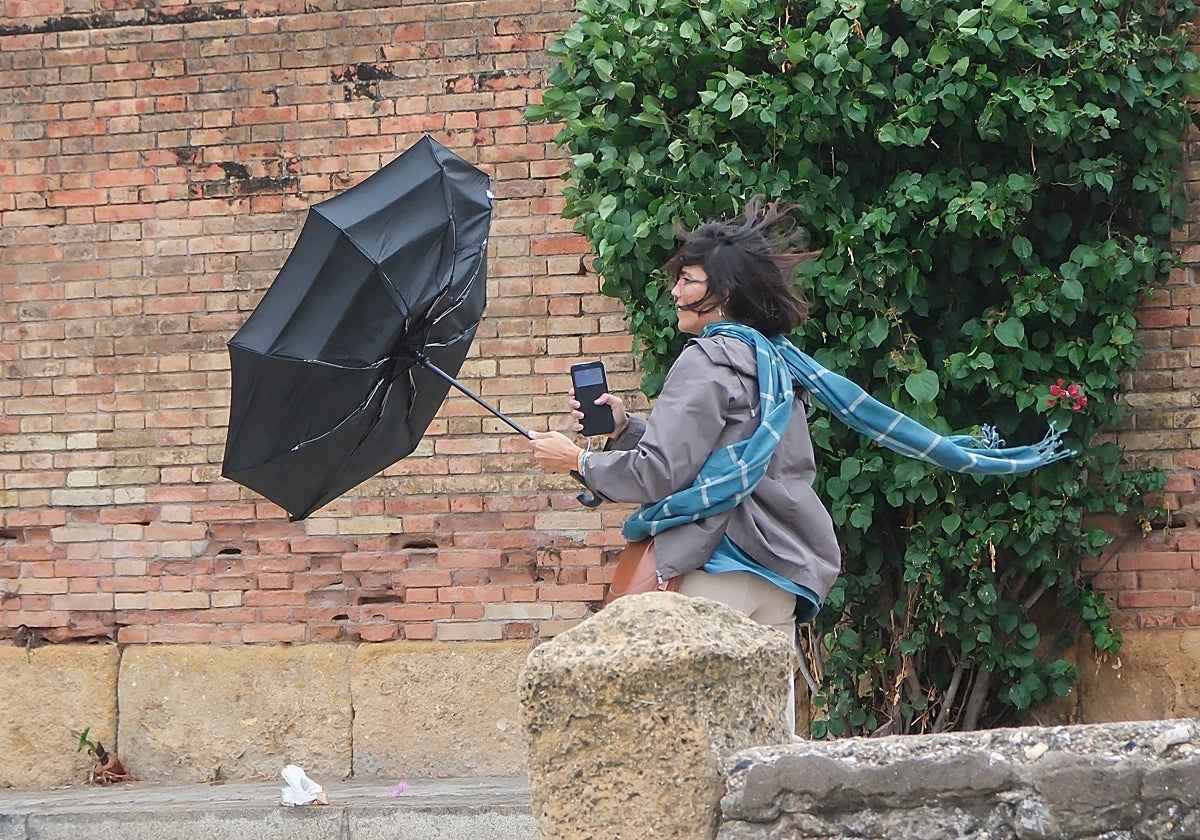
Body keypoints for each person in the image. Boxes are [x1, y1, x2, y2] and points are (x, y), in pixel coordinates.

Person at [525, 197, 1072, 735]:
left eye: (687, 280)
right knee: (769, 745)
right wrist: (626, 428)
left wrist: (575, 459)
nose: (674, 291)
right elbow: (728, 459)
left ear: (722, 292)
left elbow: (659, 475)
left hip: (715, 573)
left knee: (701, 748)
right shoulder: (776, 362)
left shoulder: (705, 361)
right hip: (777, 576)